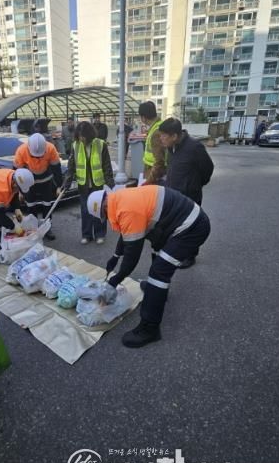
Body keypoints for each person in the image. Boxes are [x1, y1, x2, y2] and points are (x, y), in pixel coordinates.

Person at [87, 186, 211, 348]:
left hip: (191, 228)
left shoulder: (127, 210)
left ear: (104, 207)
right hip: (179, 221)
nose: (107, 219)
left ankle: (149, 328)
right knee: (157, 252)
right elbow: (126, 234)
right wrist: (115, 256)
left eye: (105, 216)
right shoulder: (120, 199)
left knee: (159, 272)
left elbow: (132, 257)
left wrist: (114, 281)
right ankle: (157, 293)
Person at [158, 118, 214, 269]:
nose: (161, 138)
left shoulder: (194, 147)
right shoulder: (171, 148)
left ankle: (190, 256)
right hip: (174, 196)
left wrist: (194, 185)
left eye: (164, 135)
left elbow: (208, 169)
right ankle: (176, 252)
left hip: (190, 196)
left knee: (190, 226)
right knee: (176, 225)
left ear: (174, 136)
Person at [64, 121, 115, 244]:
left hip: (98, 184)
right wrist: (66, 184)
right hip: (83, 185)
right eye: (79, 136)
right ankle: (86, 235)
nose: (82, 139)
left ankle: (99, 234)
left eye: (83, 136)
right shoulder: (76, 145)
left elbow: (107, 166)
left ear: (89, 134)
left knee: (99, 209)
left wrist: (111, 185)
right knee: (85, 210)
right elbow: (71, 166)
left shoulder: (100, 144)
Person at [13, 133, 62, 240]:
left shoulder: (50, 148)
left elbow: (56, 168)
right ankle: (34, 230)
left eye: (40, 155)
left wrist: (59, 186)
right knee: (31, 206)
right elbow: (17, 173)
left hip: (46, 181)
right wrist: (20, 191)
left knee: (47, 205)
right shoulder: (21, 151)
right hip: (29, 184)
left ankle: (47, 228)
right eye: (35, 156)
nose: (38, 158)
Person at [139, 101, 166, 184]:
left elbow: (159, 161)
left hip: (153, 174)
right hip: (154, 172)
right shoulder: (158, 126)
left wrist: (148, 181)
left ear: (143, 117)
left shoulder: (155, 132)